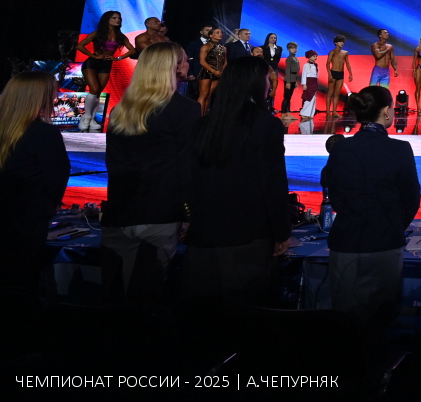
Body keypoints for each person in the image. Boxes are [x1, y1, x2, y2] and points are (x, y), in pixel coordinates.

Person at [184, 57, 290, 305]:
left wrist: (189, 219)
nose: (269, 84)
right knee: (245, 313)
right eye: (267, 79)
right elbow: (272, 182)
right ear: (254, 82)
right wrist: (281, 232)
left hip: (204, 234)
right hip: (248, 236)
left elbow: (190, 178)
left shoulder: (203, 124)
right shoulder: (266, 124)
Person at [103, 42, 200, 303]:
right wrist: (190, 213)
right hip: (160, 214)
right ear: (174, 67)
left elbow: (115, 166)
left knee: (116, 294)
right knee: (146, 297)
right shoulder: (185, 109)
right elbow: (187, 167)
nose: (189, 64)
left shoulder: (120, 110)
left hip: (119, 213)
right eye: (185, 59)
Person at [321, 86, 421, 327]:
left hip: (347, 241)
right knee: (381, 320)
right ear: (386, 111)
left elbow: (334, 194)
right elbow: (411, 199)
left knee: (345, 321)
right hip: (385, 243)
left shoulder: (341, 148)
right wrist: (392, 224)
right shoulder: (400, 149)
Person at [0, 72, 69, 318]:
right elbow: (56, 180)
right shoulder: (44, 134)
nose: (56, 98)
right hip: (26, 225)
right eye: (53, 93)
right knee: (21, 290)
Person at [76, 10, 135, 131]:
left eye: (119, 18)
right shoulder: (97, 33)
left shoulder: (120, 36)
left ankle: (92, 119)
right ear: (107, 19)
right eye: (114, 18)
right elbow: (79, 45)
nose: (117, 20)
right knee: (94, 89)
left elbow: (132, 50)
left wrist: (118, 58)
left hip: (106, 65)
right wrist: (94, 56)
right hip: (92, 63)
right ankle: (86, 116)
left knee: (98, 92)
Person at [197, 27, 226, 116]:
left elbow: (225, 62)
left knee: (209, 96)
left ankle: (204, 116)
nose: (220, 34)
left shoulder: (223, 48)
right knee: (203, 95)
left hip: (218, 73)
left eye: (221, 32)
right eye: (217, 32)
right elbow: (202, 61)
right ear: (211, 35)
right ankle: (198, 116)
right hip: (207, 72)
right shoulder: (206, 46)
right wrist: (213, 71)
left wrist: (222, 71)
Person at [327, 35, 353, 115]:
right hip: (333, 72)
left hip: (341, 74)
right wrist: (330, 74)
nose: (342, 43)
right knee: (330, 93)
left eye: (343, 42)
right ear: (336, 43)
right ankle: (328, 111)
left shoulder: (345, 53)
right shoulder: (332, 52)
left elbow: (347, 63)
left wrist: (351, 74)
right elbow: (327, 64)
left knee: (337, 93)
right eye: (340, 42)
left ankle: (334, 112)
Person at [184, 25, 212, 98]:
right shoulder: (193, 44)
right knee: (194, 96)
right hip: (196, 75)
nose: (209, 32)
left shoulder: (214, 44)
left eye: (211, 30)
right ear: (201, 32)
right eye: (207, 30)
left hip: (210, 75)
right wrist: (190, 73)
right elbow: (188, 59)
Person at [261, 33, 284, 112]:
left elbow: (278, 59)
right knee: (264, 86)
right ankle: (263, 105)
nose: (273, 39)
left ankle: (271, 106)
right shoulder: (262, 48)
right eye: (271, 37)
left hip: (274, 69)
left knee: (273, 87)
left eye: (275, 38)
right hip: (265, 69)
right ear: (268, 38)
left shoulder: (279, 48)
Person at [300, 50, 320, 121]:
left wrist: (317, 83)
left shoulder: (315, 65)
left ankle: (310, 113)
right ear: (309, 57)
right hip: (309, 82)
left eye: (316, 56)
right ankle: (304, 113)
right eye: (314, 56)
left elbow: (316, 75)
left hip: (314, 82)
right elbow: (304, 74)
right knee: (309, 97)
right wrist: (304, 84)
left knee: (313, 98)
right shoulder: (306, 65)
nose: (315, 57)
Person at [281, 42, 300, 114]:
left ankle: (288, 113)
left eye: (295, 48)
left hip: (293, 79)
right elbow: (288, 70)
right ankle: (283, 113)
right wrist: (288, 82)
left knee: (289, 97)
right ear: (288, 49)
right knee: (287, 97)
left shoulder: (295, 58)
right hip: (289, 79)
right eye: (292, 48)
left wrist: (295, 81)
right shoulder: (289, 59)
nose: (294, 49)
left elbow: (296, 72)